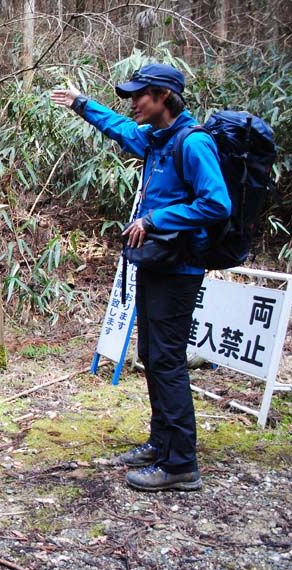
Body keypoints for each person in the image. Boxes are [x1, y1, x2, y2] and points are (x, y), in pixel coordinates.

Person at [52, 63, 231, 492]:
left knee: (168, 361)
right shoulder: (157, 139)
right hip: (157, 264)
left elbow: (217, 203)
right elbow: (118, 128)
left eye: (140, 95)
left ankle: (181, 464)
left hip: (180, 269)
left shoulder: (194, 143)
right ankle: (161, 443)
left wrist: (155, 219)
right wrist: (82, 105)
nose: (133, 103)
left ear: (164, 96)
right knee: (153, 355)